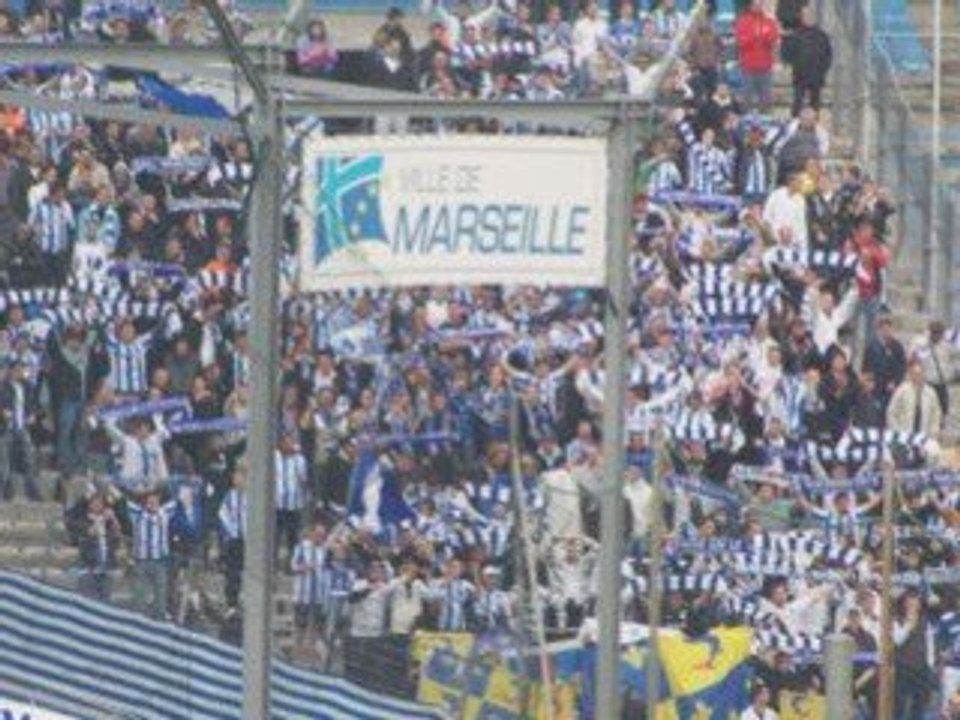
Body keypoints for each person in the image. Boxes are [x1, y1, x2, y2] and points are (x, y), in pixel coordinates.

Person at [127, 490, 178, 620]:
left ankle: (159, 622)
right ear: (145, 502)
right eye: (149, 501)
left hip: (160, 561)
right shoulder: (137, 514)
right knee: (139, 597)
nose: (152, 503)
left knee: (161, 596)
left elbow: (178, 498)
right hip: (141, 560)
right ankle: (139, 623)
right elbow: (122, 501)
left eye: (155, 500)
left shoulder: (165, 512)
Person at [781, 5, 832, 116]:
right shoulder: (795, 35)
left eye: (810, 15)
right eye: (805, 15)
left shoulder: (822, 35)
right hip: (800, 76)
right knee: (797, 104)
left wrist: (822, 71)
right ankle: (794, 126)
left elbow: (828, 55)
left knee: (815, 104)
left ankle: (813, 126)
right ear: (801, 17)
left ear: (814, 17)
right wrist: (785, 43)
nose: (808, 18)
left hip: (816, 76)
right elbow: (787, 55)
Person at [734, 0, 780, 111]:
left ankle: (765, 121)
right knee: (746, 98)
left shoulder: (769, 22)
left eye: (760, 4)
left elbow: (773, 40)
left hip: (765, 67)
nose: (758, 7)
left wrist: (764, 36)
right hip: (748, 66)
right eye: (755, 4)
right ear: (750, 6)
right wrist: (755, 35)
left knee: (765, 98)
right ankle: (745, 120)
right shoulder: (743, 22)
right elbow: (740, 42)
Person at [887, 360, 942, 440]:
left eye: (920, 374)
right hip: (904, 434)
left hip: (924, 435)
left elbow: (936, 414)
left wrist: (933, 431)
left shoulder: (931, 393)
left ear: (924, 374)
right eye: (915, 374)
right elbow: (891, 412)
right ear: (910, 375)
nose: (918, 377)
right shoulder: (902, 390)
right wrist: (897, 432)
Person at [862, 314, 906, 409]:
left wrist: (895, 382)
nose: (886, 331)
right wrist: (868, 383)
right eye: (884, 329)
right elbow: (866, 367)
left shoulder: (897, 346)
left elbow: (902, 367)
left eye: (888, 329)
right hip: (876, 387)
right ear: (879, 330)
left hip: (891, 387)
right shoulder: (872, 347)